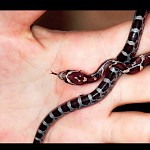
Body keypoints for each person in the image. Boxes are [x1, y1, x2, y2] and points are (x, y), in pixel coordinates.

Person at [0, 10, 150, 143]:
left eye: (66, 76)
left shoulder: (110, 68)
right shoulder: (110, 67)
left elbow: (118, 67)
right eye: (66, 76)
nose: (62, 75)